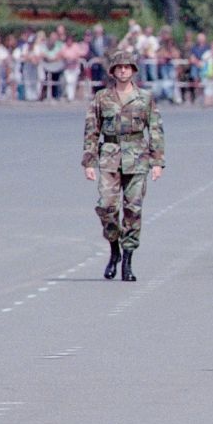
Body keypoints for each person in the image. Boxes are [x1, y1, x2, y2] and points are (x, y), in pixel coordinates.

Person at [82, 50, 165, 282]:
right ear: (112, 71)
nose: (123, 71)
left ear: (133, 71)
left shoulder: (145, 98)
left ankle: (127, 260)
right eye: (119, 67)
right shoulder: (102, 99)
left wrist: (158, 162)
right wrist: (88, 161)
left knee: (133, 210)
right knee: (106, 206)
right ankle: (114, 248)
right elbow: (91, 131)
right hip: (109, 156)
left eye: (127, 67)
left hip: (137, 157)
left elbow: (155, 130)